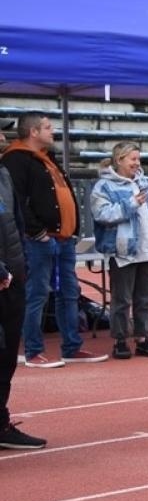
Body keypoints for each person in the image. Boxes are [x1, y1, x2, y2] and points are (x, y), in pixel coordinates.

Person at [0, 112, 105, 367]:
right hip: (40, 240)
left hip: (63, 238)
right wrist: (37, 232)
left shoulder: (47, 157)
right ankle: (32, 350)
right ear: (33, 132)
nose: (53, 131)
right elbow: (17, 202)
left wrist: (72, 229)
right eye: (47, 127)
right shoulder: (16, 159)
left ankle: (71, 346)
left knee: (69, 293)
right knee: (37, 293)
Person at [89, 142, 148, 360]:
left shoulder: (144, 182)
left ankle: (143, 338)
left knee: (145, 298)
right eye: (133, 159)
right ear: (119, 160)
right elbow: (102, 215)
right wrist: (130, 204)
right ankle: (120, 340)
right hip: (123, 251)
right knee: (122, 299)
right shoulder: (103, 186)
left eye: (138, 159)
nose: (137, 163)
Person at [0, 160, 43, 449]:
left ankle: (0, 423)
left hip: (12, 277)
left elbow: (16, 222)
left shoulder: (3, 173)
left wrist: (20, 265)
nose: (3, 138)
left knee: (6, 359)